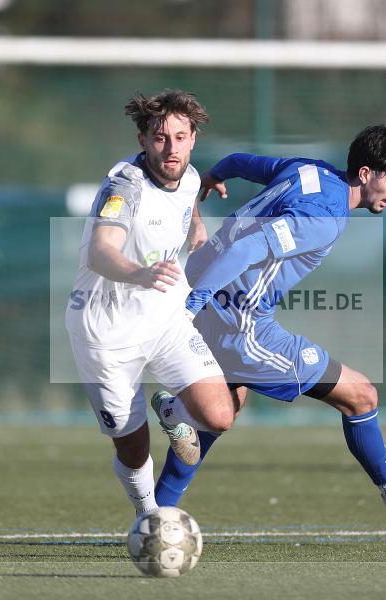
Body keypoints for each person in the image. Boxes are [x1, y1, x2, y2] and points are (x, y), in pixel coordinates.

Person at [149, 125, 386, 517]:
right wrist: (190, 308)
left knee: (222, 410)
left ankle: (155, 514)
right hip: (241, 326)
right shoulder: (325, 215)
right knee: (361, 395)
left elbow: (242, 162)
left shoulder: (307, 170)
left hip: (213, 298)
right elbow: (247, 248)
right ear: (365, 174)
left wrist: (213, 176)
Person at [65, 90, 235, 516]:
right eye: (160, 138)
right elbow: (101, 250)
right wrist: (138, 273)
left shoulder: (191, 175)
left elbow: (186, 197)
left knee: (219, 415)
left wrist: (195, 224)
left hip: (164, 316)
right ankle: (149, 516)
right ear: (143, 140)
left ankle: (171, 409)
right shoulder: (125, 185)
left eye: (180, 137)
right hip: (105, 329)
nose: (171, 147)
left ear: (193, 138)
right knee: (133, 449)